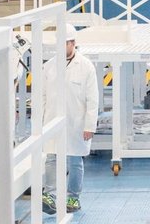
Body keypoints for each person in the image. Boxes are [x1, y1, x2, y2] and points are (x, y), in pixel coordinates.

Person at [41, 26, 99, 215]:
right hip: (51, 121)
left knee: (74, 160)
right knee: (51, 158)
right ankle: (50, 195)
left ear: (72, 43)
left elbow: (93, 99)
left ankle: (73, 197)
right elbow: (42, 96)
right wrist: (40, 124)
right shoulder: (49, 66)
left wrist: (90, 125)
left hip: (76, 123)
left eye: (63, 43)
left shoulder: (86, 66)